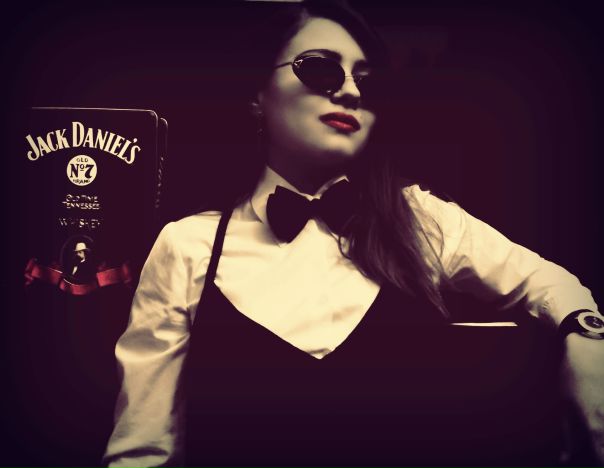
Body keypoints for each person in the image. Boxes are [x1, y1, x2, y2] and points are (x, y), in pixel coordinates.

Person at [103, 1, 603, 466]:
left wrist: (586, 340)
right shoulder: (187, 245)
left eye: (366, 81)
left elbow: (552, 286)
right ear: (258, 94)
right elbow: (143, 450)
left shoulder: (420, 219)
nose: (350, 91)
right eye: (321, 68)